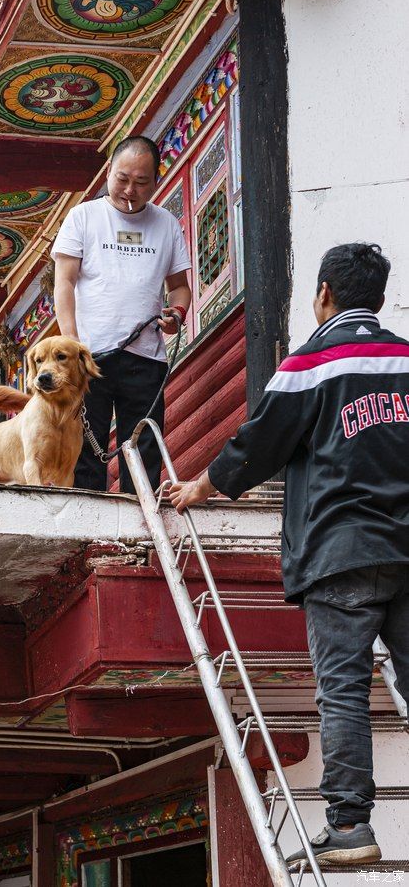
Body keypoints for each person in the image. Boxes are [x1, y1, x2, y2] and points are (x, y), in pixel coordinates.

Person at [168, 243, 409, 870]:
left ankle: (351, 826)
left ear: (323, 293)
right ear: (378, 298)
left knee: (345, 689)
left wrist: (202, 485)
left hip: (340, 552)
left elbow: (260, 442)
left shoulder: (312, 362)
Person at [52, 135, 192, 495]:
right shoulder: (83, 217)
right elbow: (64, 283)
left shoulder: (166, 225)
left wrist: (176, 313)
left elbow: (180, 287)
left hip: (145, 357)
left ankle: (138, 531)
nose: (130, 190)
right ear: (109, 172)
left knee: (144, 446)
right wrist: (72, 345)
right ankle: (88, 531)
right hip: (90, 356)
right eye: (122, 179)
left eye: (141, 183)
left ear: (155, 182)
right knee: (86, 445)